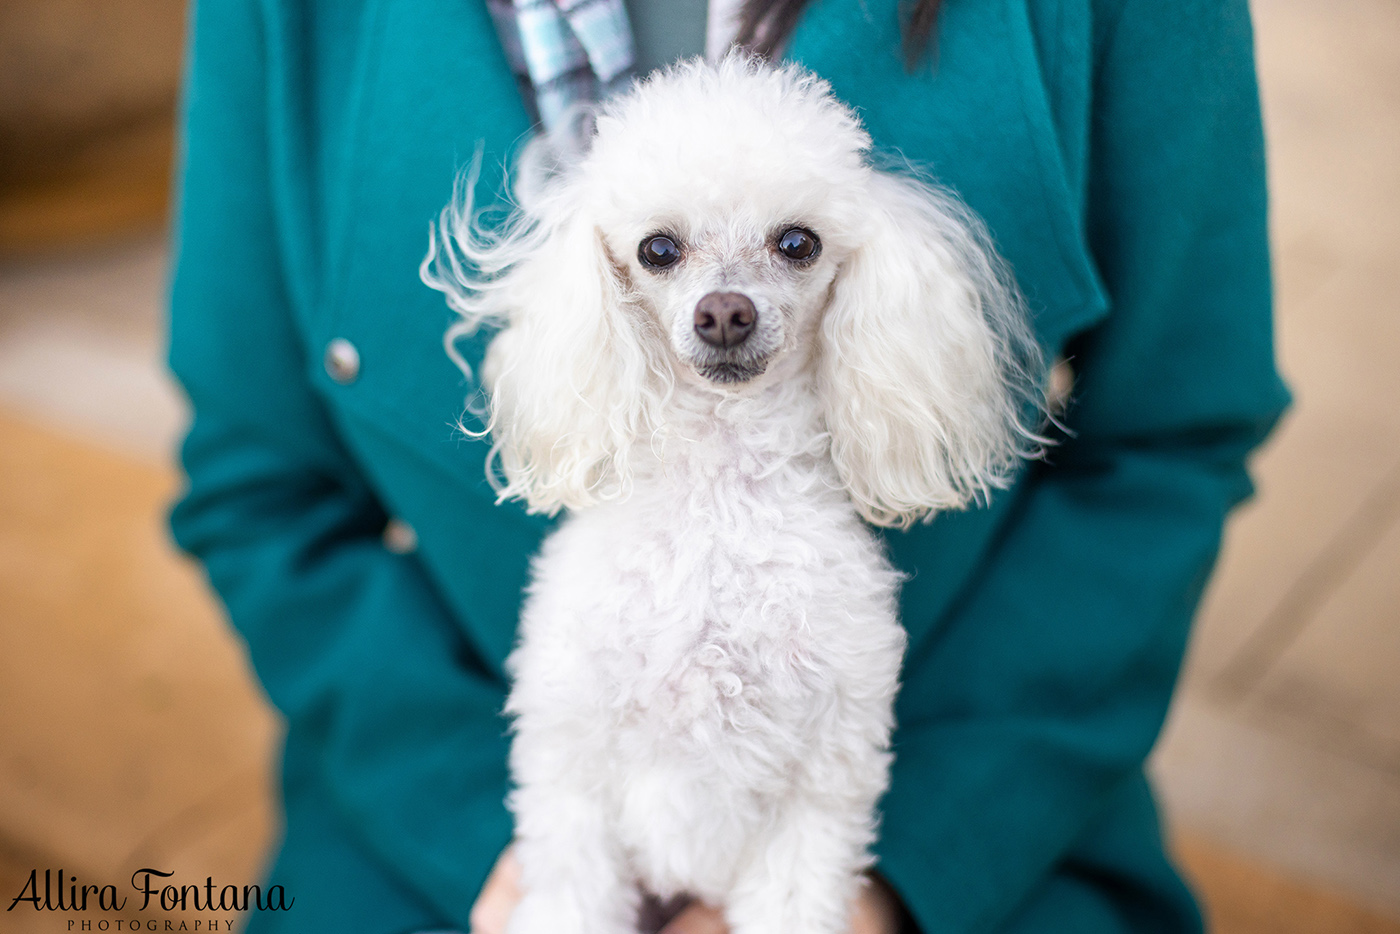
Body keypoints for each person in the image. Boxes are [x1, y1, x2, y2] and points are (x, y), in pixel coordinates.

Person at [167, 0, 1289, 932]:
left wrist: (883, 887)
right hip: (432, 817)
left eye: (791, 250)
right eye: (663, 258)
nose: (722, 303)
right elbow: (258, 487)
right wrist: (506, 862)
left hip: (969, 814)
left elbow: (1165, 441)